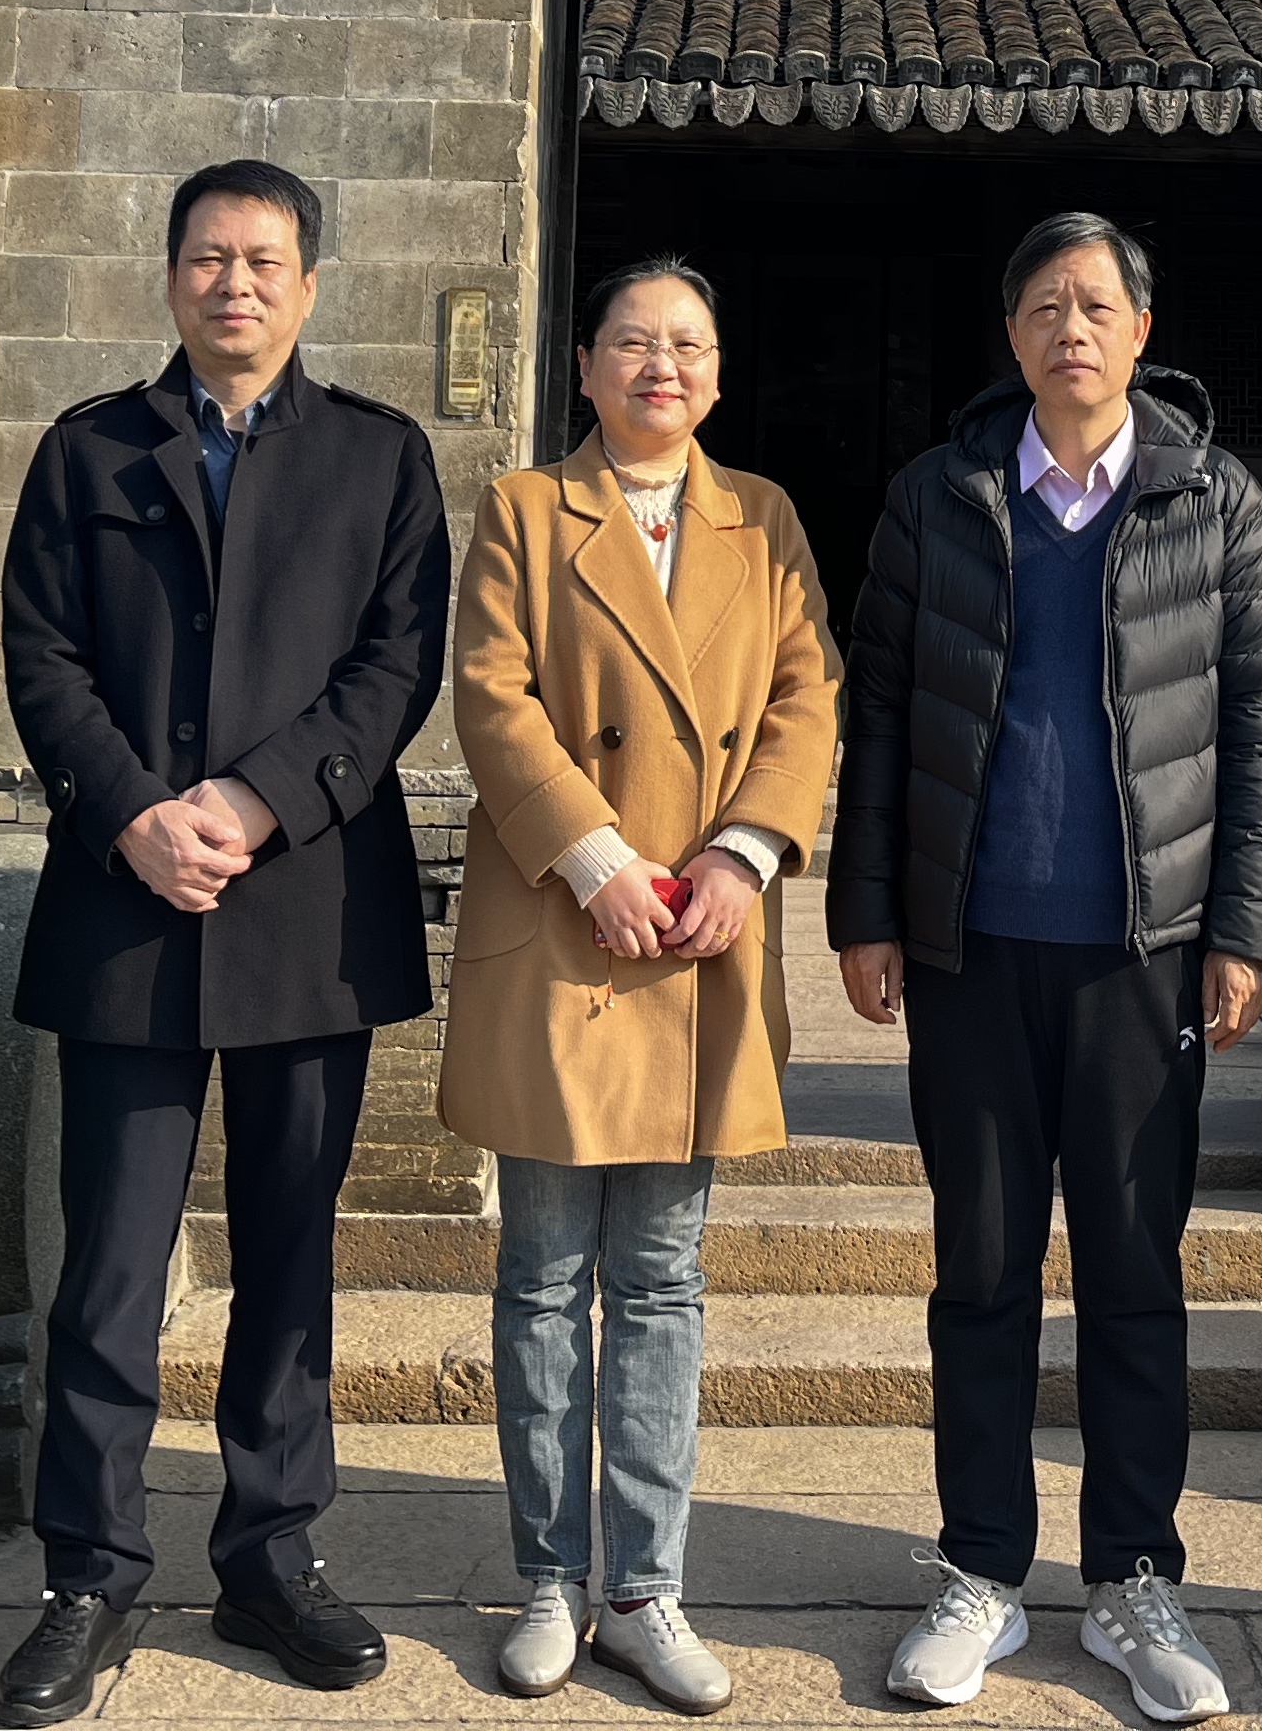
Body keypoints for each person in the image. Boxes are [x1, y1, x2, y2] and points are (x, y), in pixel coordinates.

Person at [0, 160, 453, 1726]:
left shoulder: (380, 458)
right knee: (111, 1267)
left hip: (305, 905)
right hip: (126, 902)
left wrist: (256, 802)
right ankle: (88, 1571)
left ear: (309, 284)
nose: (234, 284)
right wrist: (132, 811)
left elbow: (396, 667)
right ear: (171, 276)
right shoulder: (88, 450)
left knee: (289, 1253)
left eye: (263, 260)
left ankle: (271, 1550)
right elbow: (42, 655)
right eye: (207, 257)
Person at [827, 212, 1262, 1726]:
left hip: (1140, 955)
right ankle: (981, 1567)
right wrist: (868, 909)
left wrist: (1243, 928)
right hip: (973, 948)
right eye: (1043, 305)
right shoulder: (940, 496)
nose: (1070, 328)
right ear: (1013, 334)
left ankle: (1134, 1577)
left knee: (1134, 1272)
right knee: (979, 1270)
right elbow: (879, 710)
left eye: (1096, 305)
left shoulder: (1213, 499)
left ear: (1142, 332)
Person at [439, 258, 844, 1714]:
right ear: (587, 367)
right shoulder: (524, 509)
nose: (659, 365)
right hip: (567, 925)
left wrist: (743, 853)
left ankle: (644, 1587)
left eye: (686, 344)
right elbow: (492, 697)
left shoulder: (764, 518)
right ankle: (550, 1576)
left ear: (717, 373)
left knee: (664, 1283)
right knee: (544, 1275)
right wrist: (597, 858)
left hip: (698, 936)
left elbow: (807, 696)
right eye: (631, 341)